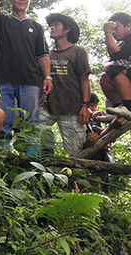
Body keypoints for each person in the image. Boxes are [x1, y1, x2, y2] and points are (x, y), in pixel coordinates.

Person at [0, 0, 51, 139]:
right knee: (3, 121)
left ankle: (30, 160)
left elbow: (42, 55)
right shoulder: (4, 21)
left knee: (31, 122)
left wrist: (48, 77)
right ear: (10, 0)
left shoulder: (36, 27)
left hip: (30, 81)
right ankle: (3, 157)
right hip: (4, 80)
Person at [40, 13, 90, 157]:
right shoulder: (47, 54)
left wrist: (85, 106)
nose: (52, 28)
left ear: (66, 30)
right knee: (36, 141)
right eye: (51, 25)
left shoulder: (78, 52)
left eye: (56, 25)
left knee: (76, 154)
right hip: (48, 108)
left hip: (72, 109)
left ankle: (75, 179)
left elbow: (84, 80)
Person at [100, 12, 131, 112]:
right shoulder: (124, 44)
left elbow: (116, 56)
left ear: (128, 26)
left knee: (115, 69)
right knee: (104, 78)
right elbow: (108, 65)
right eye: (112, 30)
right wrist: (113, 64)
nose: (113, 32)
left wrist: (107, 33)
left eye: (116, 28)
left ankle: (127, 108)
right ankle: (118, 109)